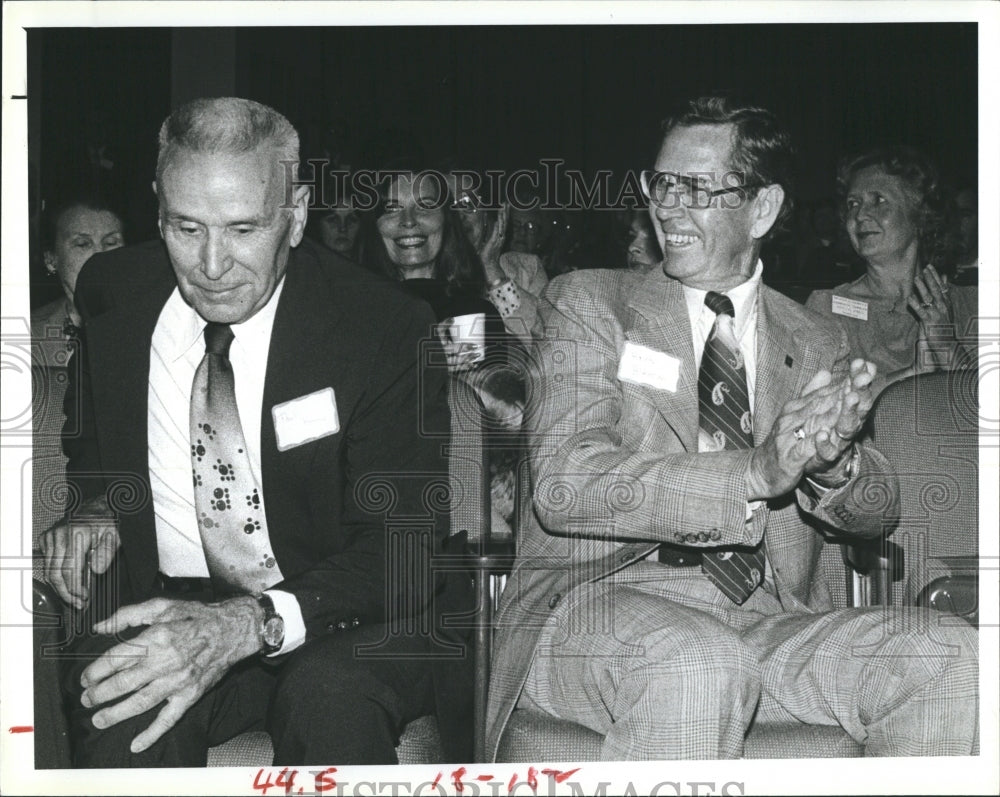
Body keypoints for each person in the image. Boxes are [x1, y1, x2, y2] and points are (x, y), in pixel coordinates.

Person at [486, 96, 978, 761]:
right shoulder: (592, 302)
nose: (668, 206)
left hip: (763, 620)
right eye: (662, 184)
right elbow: (567, 484)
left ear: (763, 209)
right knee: (696, 663)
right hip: (594, 611)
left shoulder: (817, 335)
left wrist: (833, 466)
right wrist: (754, 470)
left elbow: (878, 509)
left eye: (697, 188)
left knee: (950, 655)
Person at [40, 97, 473, 767]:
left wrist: (252, 620)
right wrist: (98, 502)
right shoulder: (113, 293)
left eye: (243, 229)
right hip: (169, 605)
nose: (211, 264)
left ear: (296, 216)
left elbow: (404, 544)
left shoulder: (383, 327)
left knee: (327, 698)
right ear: (157, 206)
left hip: (343, 621)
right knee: (122, 693)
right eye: (186, 227)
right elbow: (91, 442)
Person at [806, 147, 977, 389]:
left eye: (879, 200)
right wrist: (913, 373)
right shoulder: (827, 308)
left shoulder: (971, 303)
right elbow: (820, 408)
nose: (861, 214)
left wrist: (948, 346)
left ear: (920, 214)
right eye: (853, 203)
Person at [31, 194, 125, 362]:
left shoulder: (155, 325)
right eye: (82, 244)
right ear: (51, 260)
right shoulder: (27, 332)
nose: (99, 256)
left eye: (111, 243)